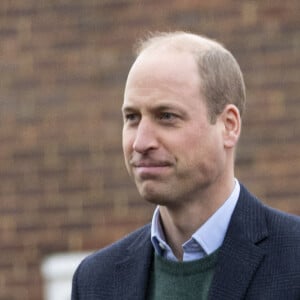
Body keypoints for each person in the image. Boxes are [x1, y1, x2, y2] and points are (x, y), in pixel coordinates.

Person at [71, 31, 300, 300]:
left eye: (166, 116)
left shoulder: (293, 258)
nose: (141, 143)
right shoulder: (96, 280)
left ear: (229, 126)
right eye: (132, 117)